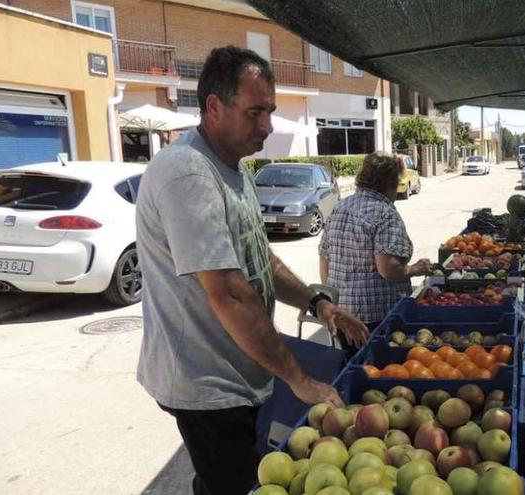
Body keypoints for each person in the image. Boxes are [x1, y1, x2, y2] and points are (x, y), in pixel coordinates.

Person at [135, 46, 368, 495]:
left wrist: (318, 304)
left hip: (240, 373)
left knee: (228, 479)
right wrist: (298, 378)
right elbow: (229, 292)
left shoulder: (234, 168)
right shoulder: (188, 173)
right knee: (237, 483)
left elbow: (260, 260)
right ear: (214, 106)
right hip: (207, 382)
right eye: (255, 111)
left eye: (271, 111)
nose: (267, 126)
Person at [318, 153, 431, 343]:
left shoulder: (340, 207)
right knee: (377, 367)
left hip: (342, 314)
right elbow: (388, 269)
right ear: (390, 183)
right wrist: (415, 269)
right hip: (375, 317)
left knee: (352, 365)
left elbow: (324, 261)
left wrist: (337, 300)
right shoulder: (385, 213)